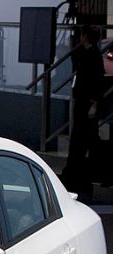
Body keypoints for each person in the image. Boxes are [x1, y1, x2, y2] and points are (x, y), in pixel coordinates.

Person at [62, 25, 105, 195]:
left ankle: (78, 174)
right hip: (84, 102)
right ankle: (77, 173)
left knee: (83, 139)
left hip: (86, 103)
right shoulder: (88, 55)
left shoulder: (92, 56)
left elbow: (96, 82)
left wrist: (94, 104)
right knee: (82, 139)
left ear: (86, 36)